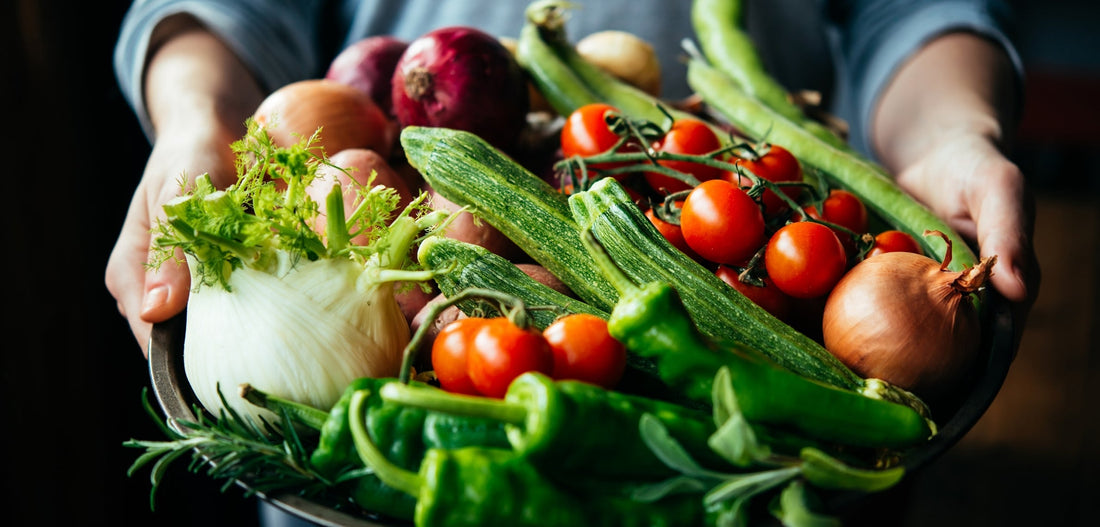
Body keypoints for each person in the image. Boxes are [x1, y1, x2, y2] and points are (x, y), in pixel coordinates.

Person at [108, 0, 1038, 357]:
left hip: (763, 235)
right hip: (397, 244)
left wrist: (952, 130)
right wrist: (197, 122)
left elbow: (911, 10)